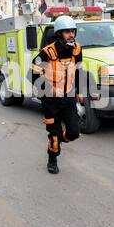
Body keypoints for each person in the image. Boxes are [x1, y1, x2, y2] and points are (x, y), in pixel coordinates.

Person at [31, 16, 84, 175]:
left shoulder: (77, 50)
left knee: (74, 133)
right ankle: (52, 159)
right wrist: (48, 90)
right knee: (54, 135)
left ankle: (59, 139)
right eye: (67, 32)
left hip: (68, 97)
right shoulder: (47, 52)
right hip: (50, 102)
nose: (71, 35)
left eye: (72, 31)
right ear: (59, 34)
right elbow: (33, 74)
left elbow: (78, 71)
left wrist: (79, 91)